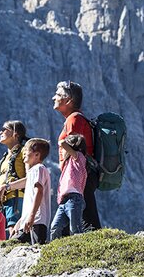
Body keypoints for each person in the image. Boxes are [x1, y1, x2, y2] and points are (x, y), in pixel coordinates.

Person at [52, 81, 101, 230]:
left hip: (80, 175)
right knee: (80, 215)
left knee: (87, 218)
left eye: (58, 95)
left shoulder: (74, 119)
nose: (54, 98)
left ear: (68, 100)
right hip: (82, 174)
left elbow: (73, 147)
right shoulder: (74, 119)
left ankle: (96, 247)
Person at [9, 138, 51, 244]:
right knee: (14, 243)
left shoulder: (39, 168)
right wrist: (20, 222)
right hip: (29, 220)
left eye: (27, 151)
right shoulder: (33, 171)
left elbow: (39, 191)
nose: (24, 153)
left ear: (37, 155)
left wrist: (32, 216)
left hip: (37, 220)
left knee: (37, 247)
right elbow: (30, 202)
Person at [50, 133, 88, 240]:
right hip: (64, 201)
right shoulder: (67, 164)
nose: (62, 150)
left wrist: (62, 142)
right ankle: (54, 251)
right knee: (55, 227)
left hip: (74, 199)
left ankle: (79, 251)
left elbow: (62, 143)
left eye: (63, 149)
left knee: (75, 229)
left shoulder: (79, 157)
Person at [0, 120, 28, 235]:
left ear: (16, 134)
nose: (0, 132)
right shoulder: (6, 156)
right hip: (4, 200)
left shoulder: (24, 151)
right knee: (8, 231)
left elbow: (31, 177)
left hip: (16, 197)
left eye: (4, 129)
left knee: (14, 230)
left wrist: (7, 187)